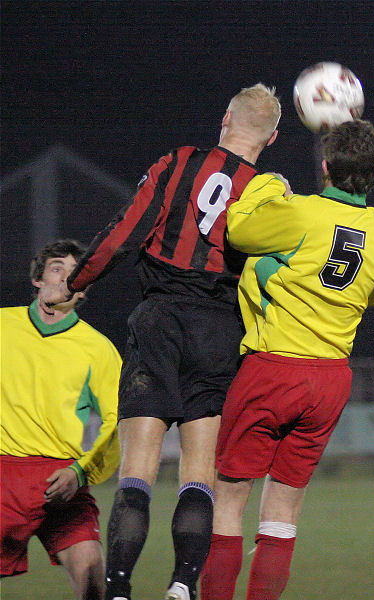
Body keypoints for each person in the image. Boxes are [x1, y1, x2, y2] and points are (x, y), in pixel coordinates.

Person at [41, 84, 282, 600]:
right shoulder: (265, 191)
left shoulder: (177, 164)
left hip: (160, 324)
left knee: (138, 471)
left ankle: (121, 588)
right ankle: (180, 585)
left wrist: (75, 283)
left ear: (225, 118)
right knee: (198, 475)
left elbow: (123, 233)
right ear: (273, 137)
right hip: (220, 331)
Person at [200, 119, 374, 600]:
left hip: (274, 367)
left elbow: (240, 229)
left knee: (228, 500)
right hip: (330, 380)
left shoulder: (300, 213)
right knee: (284, 511)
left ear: (326, 168)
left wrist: (268, 185)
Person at [0, 239, 122, 600]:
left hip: (64, 479)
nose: (66, 278)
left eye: (76, 273)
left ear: (83, 291)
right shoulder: (3, 326)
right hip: (5, 474)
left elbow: (117, 421)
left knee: (91, 573)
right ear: (37, 280)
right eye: (57, 268)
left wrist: (81, 471)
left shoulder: (98, 348)